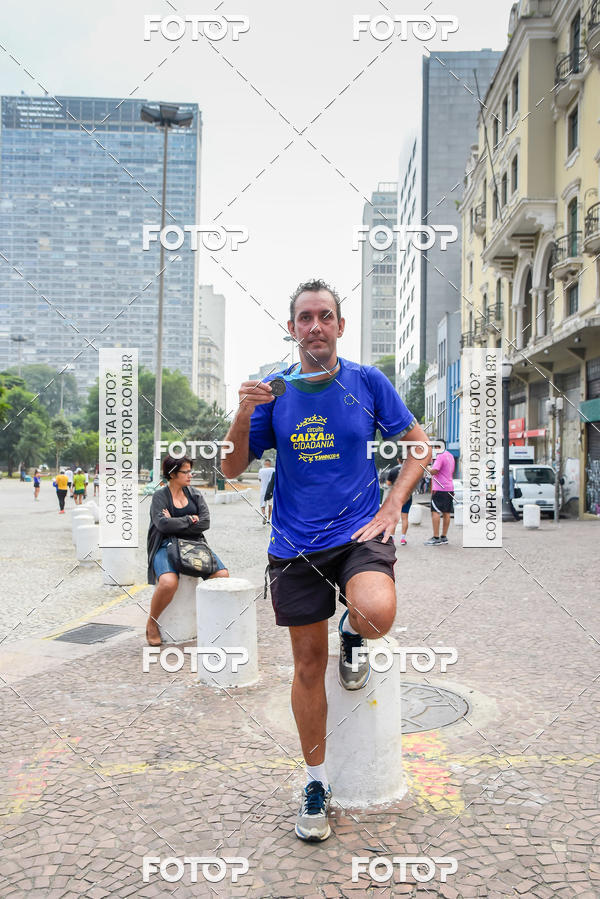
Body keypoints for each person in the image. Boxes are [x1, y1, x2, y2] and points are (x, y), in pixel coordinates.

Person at [222, 278, 430, 842]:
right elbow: (230, 468)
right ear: (292, 328)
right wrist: (242, 413)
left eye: (325, 316)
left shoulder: (367, 382)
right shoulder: (273, 390)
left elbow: (419, 445)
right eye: (305, 317)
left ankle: (354, 635)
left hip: (359, 532)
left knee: (376, 613)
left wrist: (393, 505)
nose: (315, 325)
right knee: (308, 667)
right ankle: (316, 782)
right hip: (294, 547)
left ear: (340, 326)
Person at [146, 455, 230, 646]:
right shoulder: (160, 496)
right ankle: (152, 623)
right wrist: (190, 519)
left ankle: (201, 616)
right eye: (186, 472)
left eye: (190, 471)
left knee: (222, 575)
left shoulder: (195, 494)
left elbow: (205, 522)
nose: (190, 475)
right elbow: (162, 525)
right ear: (172, 474)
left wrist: (178, 522)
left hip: (195, 544)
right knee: (168, 583)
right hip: (165, 544)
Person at [424, 438, 455, 545]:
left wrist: (426, 467)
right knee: (446, 512)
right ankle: (444, 536)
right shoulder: (450, 456)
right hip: (450, 488)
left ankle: (436, 537)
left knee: (435, 512)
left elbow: (434, 471)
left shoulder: (440, 456)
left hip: (440, 489)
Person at [385, 457, 412, 545]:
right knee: (405, 518)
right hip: (407, 496)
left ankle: (392, 537)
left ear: (398, 460)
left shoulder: (393, 470)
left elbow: (388, 483)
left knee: (394, 518)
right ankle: (403, 539)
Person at [257, 459, 275, 524]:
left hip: (263, 490)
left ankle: (264, 514)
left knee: (262, 505)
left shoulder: (261, 470)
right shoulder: (273, 469)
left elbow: (259, 479)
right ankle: (268, 520)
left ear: (264, 464)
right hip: (270, 490)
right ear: (270, 464)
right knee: (270, 505)